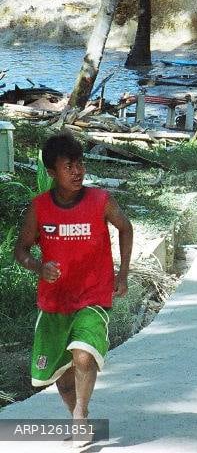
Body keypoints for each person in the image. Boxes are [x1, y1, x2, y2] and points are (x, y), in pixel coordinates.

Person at [13, 133, 133, 440]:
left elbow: (125, 227)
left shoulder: (101, 201)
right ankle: (79, 415)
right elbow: (21, 251)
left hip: (93, 296)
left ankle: (80, 414)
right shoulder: (39, 208)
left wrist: (123, 274)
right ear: (52, 173)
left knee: (83, 355)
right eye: (69, 166)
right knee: (62, 379)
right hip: (55, 302)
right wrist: (40, 267)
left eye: (80, 164)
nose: (77, 171)